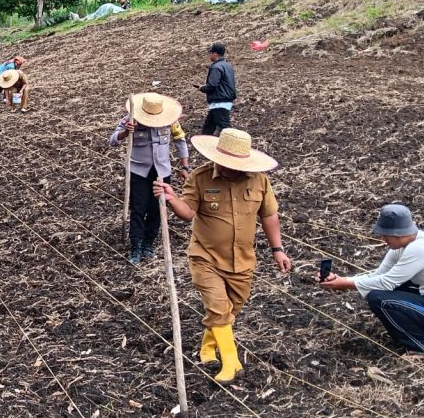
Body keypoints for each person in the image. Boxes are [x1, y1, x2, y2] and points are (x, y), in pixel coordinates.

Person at [154, 128, 291, 384]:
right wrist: (172, 198)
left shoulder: (259, 181)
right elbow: (188, 212)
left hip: (242, 260)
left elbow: (269, 215)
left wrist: (278, 249)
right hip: (205, 257)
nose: (231, 168)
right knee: (218, 307)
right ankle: (231, 362)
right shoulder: (200, 177)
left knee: (231, 309)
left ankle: (208, 346)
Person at [320, 205, 424, 358]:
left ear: (397, 233)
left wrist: (346, 284)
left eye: (386, 235)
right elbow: (380, 275)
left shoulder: (421, 248)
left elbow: (386, 283)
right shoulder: (406, 244)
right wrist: (343, 280)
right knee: (388, 288)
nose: (383, 239)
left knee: (379, 299)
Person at [110, 93, 191, 265]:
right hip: (138, 172)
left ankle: (148, 243)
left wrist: (184, 166)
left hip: (161, 172)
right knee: (138, 209)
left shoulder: (171, 121)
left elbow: (180, 140)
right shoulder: (131, 119)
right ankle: (136, 246)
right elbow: (113, 140)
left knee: (157, 209)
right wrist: (126, 132)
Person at [199, 42, 236, 136]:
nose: (209, 55)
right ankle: (204, 142)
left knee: (225, 128)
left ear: (215, 54)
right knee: (208, 128)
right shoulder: (228, 66)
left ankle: (233, 143)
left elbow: (212, 85)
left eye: (210, 53)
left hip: (219, 101)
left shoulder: (216, 67)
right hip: (225, 100)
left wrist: (202, 88)